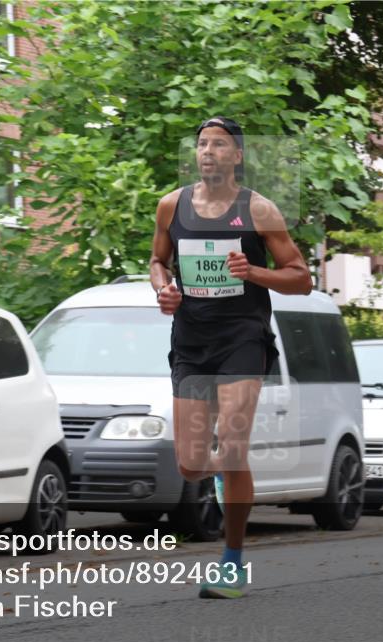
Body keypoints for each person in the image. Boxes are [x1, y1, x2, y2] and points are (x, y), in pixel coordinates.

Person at [150, 116, 312, 598]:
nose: (208, 151)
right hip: (191, 342)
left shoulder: (259, 210)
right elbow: (158, 261)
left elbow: (302, 278)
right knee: (191, 464)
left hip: (243, 336)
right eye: (202, 144)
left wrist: (253, 273)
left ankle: (233, 562)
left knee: (233, 446)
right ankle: (224, 478)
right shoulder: (171, 205)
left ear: (237, 155)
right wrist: (164, 289)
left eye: (219, 144)